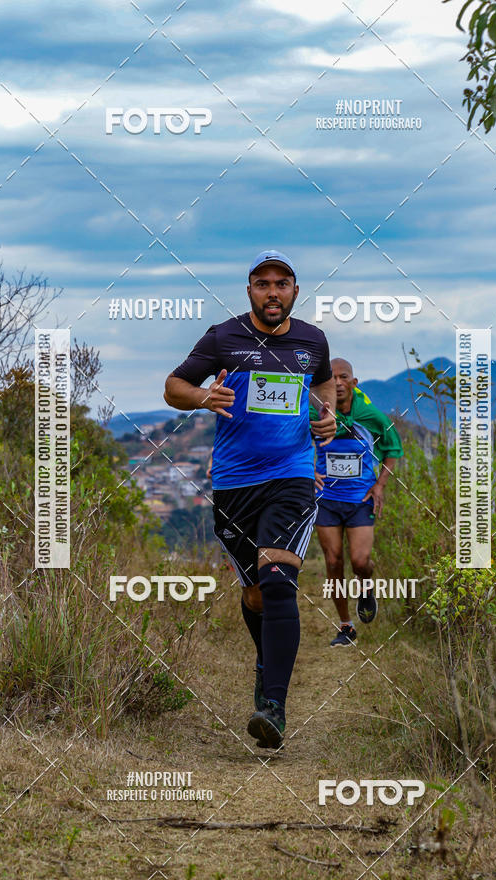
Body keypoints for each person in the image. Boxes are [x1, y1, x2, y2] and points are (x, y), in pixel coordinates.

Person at [164, 250, 336, 748]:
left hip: (292, 475)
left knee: (277, 578)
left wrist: (324, 417)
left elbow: (321, 386)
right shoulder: (224, 336)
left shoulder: (312, 340)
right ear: (250, 292)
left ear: (295, 292)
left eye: (282, 283)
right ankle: (266, 666)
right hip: (236, 483)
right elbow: (174, 384)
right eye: (262, 284)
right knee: (256, 592)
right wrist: (202, 398)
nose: (273, 292)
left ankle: (274, 707)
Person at [310, 358, 403, 647]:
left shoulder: (372, 417)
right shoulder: (315, 413)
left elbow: (393, 449)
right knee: (333, 561)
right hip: (327, 499)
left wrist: (380, 485)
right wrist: (308, 471)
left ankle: (366, 587)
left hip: (360, 499)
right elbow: (294, 444)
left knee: (361, 561)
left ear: (354, 383)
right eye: (332, 378)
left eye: (343, 377)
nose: (337, 382)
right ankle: (346, 626)